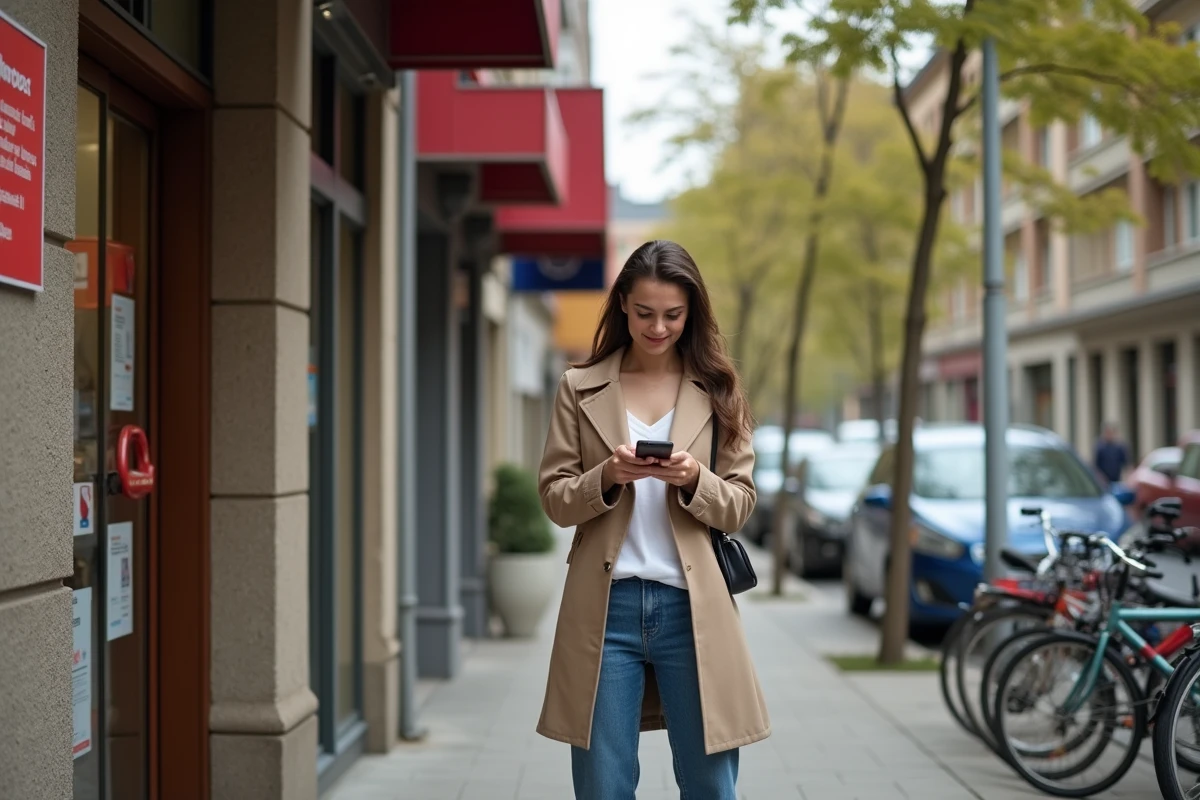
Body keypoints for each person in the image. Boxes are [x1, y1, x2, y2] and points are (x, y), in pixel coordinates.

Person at [536, 240, 769, 800]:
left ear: (692, 312)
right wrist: (607, 477)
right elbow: (555, 498)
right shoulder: (579, 386)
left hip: (693, 610)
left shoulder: (717, 389)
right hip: (605, 608)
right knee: (602, 786)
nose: (658, 327)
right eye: (644, 313)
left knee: (712, 786)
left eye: (673, 314)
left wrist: (694, 479)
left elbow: (740, 504)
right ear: (622, 306)